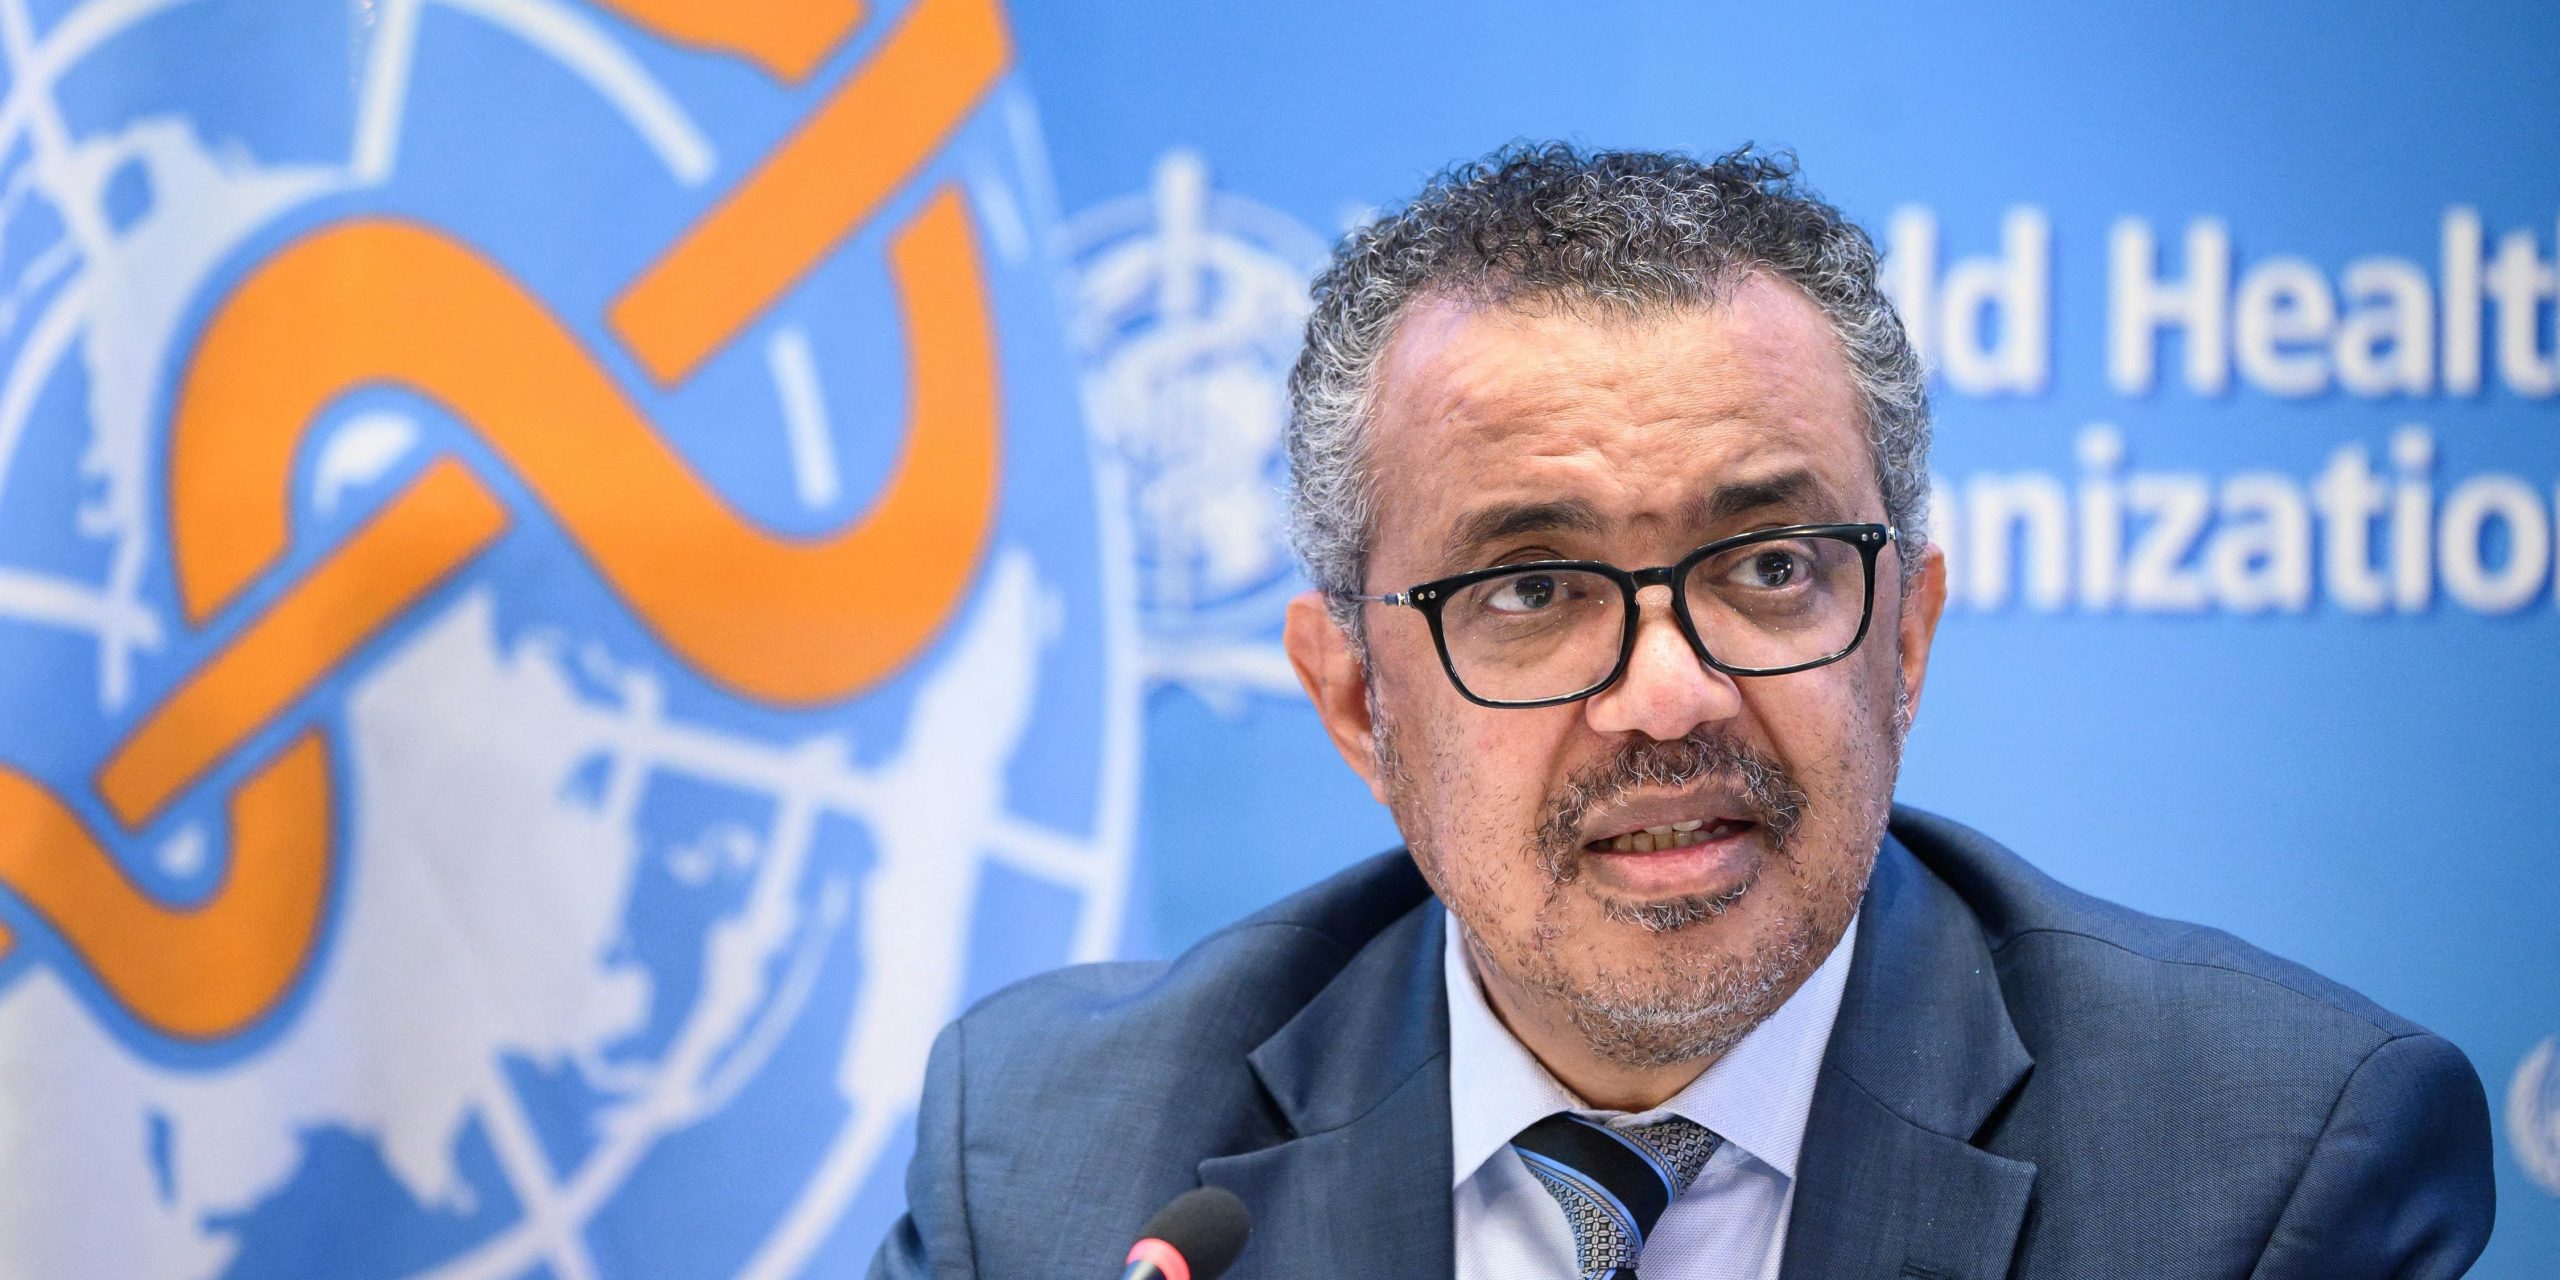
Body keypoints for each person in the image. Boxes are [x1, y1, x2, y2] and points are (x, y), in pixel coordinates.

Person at [870, 144, 2495, 1280]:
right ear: (1355, 700)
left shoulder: (2266, 1166)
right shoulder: (1055, 1167)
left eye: (1771, 565)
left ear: (1907, 640)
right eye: (1529, 590)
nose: (1669, 693)